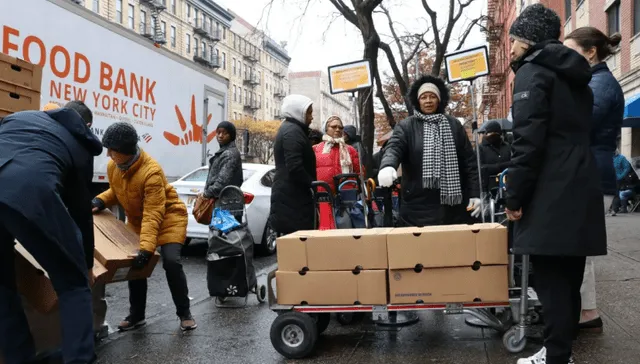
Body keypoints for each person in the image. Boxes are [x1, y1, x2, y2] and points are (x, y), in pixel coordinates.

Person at [506, 5, 607, 364]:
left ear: (529, 39)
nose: (511, 48)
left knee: (549, 282)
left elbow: (528, 140)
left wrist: (513, 193)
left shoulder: (532, 73)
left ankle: (556, 357)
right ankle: (559, 352)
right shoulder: (576, 75)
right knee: (568, 279)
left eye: (514, 39)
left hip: (550, 188)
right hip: (580, 182)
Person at [0, 107, 102, 364]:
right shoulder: (79, 145)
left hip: (13, 185)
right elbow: (81, 211)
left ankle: (17, 358)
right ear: (85, 126)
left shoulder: (20, 117)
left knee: (2, 286)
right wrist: (86, 265)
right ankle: (79, 358)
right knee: (73, 283)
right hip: (28, 192)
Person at [91, 122, 197, 332]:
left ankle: (184, 313)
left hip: (168, 219)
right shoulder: (114, 166)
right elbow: (117, 191)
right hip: (140, 221)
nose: (109, 154)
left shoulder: (151, 172)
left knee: (171, 262)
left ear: (127, 151)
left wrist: (147, 249)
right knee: (136, 265)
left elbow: (154, 213)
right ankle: (137, 316)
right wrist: (101, 200)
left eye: (113, 150)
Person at [564, 27, 624, 334]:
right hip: (592, 170)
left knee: (579, 247)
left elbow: (579, 124)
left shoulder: (599, 84)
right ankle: (585, 309)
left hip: (591, 171)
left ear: (589, 52)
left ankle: (586, 312)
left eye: (569, 50)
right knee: (579, 246)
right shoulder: (596, 82)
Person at [377, 75, 482, 226]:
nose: (428, 101)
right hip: (417, 206)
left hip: (452, 206)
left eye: (432, 96)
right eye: (424, 97)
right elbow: (394, 147)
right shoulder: (406, 126)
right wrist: (387, 165)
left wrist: (474, 194)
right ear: (417, 100)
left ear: (439, 100)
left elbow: (469, 162)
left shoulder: (453, 125)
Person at [270, 95, 317, 235]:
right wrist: (312, 185)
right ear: (298, 111)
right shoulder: (292, 132)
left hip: (292, 198)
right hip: (292, 200)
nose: (311, 117)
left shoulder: (293, 130)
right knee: (296, 246)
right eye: (309, 112)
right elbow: (295, 166)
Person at [313, 116, 361, 229]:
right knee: (326, 230)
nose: (338, 129)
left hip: (346, 198)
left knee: (346, 229)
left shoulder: (350, 150)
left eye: (340, 127)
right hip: (324, 198)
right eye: (334, 127)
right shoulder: (316, 149)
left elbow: (359, 172)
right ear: (326, 128)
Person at [202, 121, 243, 200]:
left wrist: (206, 194)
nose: (220, 136)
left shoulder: (230, 154)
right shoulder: (224, 152)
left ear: (231, 135)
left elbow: (222, 182)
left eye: (225, 133)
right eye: (218, 132)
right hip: (220, 201)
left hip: (226, 203)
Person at [478, 121, 511, 195]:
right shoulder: (480, 149)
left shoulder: (507, 147)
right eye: (490, 134)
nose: (492, 136)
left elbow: (513, 163)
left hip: (507, 185)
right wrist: (501, 166)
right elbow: (481, 168)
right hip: (488, 188)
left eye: (495, 134)